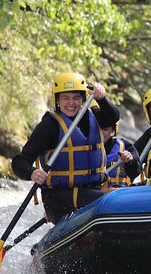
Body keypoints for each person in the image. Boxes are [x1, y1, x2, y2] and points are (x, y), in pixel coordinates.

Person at [12, 72, 120, 223]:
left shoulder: (94, 116)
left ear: (83, 99)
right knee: (113, 200)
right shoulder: (49, 125)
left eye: (76, 97)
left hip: (91, 191)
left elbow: (113, 116)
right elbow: (19, 162)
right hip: (60, 198)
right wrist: (32, 173)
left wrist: (102, 99)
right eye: (65, 98)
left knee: (115, 197)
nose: (71, 103)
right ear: (57, 100)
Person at [100, 123, 142, 190]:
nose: (100, 132)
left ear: (113, 129)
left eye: (105, 129)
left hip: (120, 194)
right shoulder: (86, 148)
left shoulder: (125, 146)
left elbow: (136, 172)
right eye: (97, 129)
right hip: (97, 196)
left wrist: (130, 161)